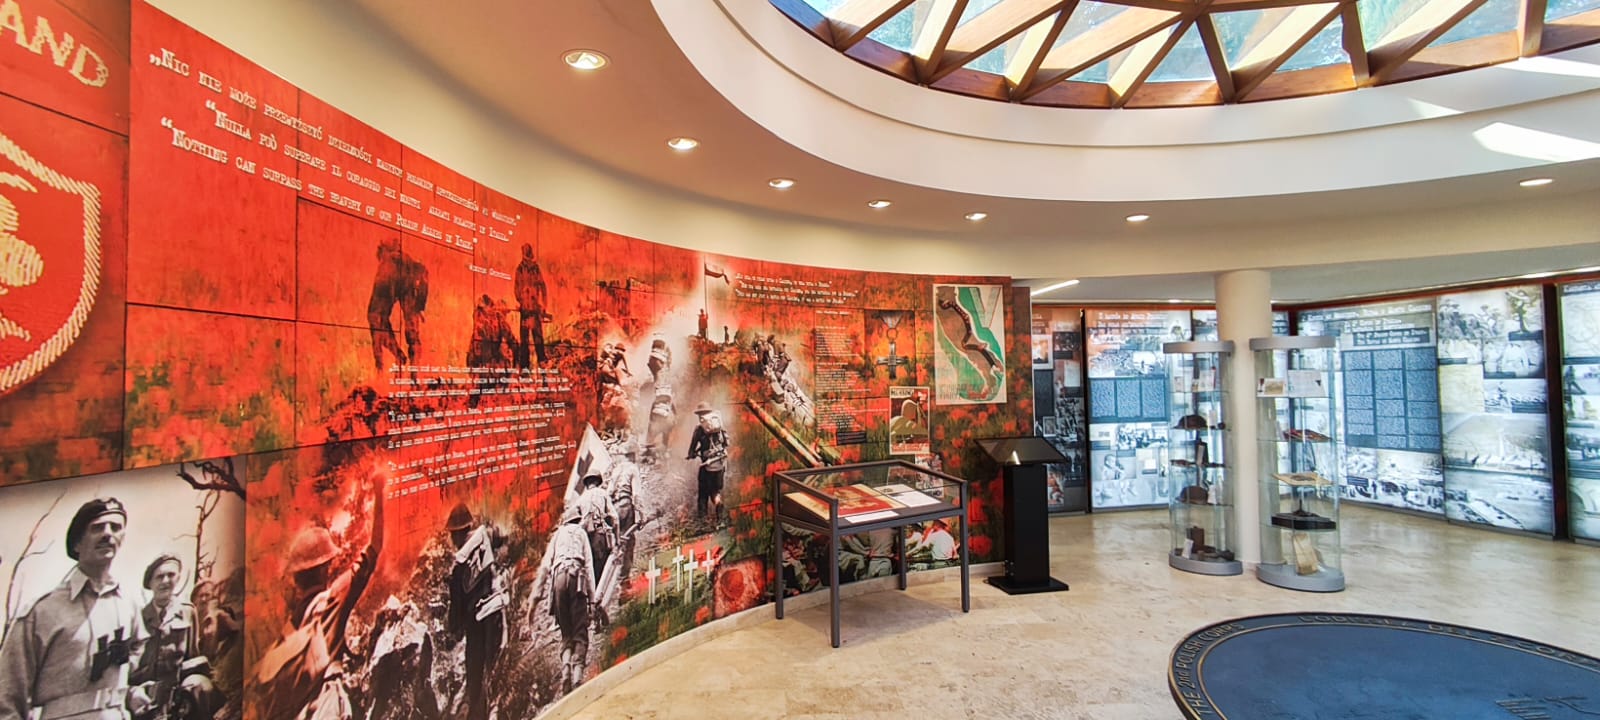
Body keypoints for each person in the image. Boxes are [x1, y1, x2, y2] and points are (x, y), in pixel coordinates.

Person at [249, 475, 384, 720]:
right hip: (325, 708)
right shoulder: (332, 600)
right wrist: (379, 490)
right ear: (324, 569)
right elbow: (374, 549)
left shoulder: (290, 625)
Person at [0, 498, 146, 720]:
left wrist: (130, 692)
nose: (108, 534)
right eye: (97, 528)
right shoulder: (42, 611)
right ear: (77, 544)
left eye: (115, 527)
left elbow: (136, 656)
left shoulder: (129, 605)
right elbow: (7, 697)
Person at [445, 504, 507, 720]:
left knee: (474, 673)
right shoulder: (485, 536)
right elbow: (502, 537)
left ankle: (476, 712)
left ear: (456, 533)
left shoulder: (458, 566)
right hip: (496, 610)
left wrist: (454, 630)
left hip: (476, 621)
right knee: (495, 668)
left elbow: (456, 609)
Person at [531, 507, 595, 694]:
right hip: (577, 578)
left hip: (558, 580)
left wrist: (536, 601)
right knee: (580, 632)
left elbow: (545, 567)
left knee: (566, 633)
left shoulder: (557, 535)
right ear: (578, 520)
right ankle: (577, 678)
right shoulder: (581, 533)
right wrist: (592, 600)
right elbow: (589, 566)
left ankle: (566, 669)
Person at [128, 555, 198, 720]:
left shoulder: (188, 612)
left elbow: (192, 658)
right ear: (150, 583)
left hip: (175, 703)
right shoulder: (137, 617)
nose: (165, 581)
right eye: (159, 577)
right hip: (142, 702)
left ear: (178, 578)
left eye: (171, 575)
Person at [367, 238, 429, 372]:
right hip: (410, 278)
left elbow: (376, 313)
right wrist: (420, 306)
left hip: (391, 275)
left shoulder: (387, 263)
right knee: (412, 331)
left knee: (374, 316)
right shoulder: (410, 263)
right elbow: (423, 273)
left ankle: (381, 368)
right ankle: (414, 373)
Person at [685, 403, 729, 522]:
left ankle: (703, 520)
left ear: (700, 415)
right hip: (720, 464)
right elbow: (727, 443)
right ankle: (719, 506)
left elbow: (692, 449)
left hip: (707, 466)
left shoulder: (699, 429)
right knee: (715, 491)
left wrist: (692, 454)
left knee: (703, 493)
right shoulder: (719, 426)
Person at [572, 475, 618, 583]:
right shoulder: (602, 493)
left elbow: (573, 517)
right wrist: (617, 540)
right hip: (600, 534)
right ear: (598, 482)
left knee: (589, 566)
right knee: (601, 566)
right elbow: (615, 518)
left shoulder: (581, 498)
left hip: (586, 537)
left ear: (587, 484)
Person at [514, 242, 548, 367]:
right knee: (525, 339)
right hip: (526, 309)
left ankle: (541, 361)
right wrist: (522, 301)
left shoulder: (535, 268)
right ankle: (525, 365)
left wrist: (543, 304)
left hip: (533, 308)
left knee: (537, 336)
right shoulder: (520, 269)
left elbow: (542, 286)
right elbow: (516, 288)